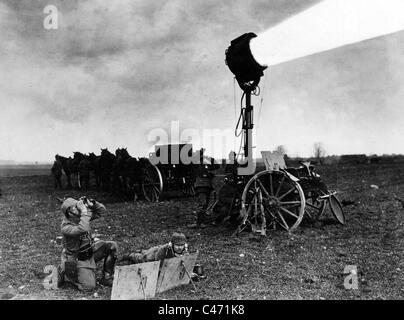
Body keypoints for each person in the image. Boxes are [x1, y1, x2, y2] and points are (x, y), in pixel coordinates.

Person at [58, 197, 118, 291]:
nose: (79, 207)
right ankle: (68, 276)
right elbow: (83, 228)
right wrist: (85, 212)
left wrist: (93, 203)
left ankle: (107, 277)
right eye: (75, 207)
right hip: (77, 259)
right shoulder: (66, 227)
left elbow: (101, 211)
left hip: (89, 251)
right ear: (70, 213)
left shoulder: (80, 217)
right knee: (89, 287)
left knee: (111, 246)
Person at [121, 232, 188, 264]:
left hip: (158, 250)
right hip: (154, 256)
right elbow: (158, 263)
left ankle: (141, 250)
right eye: (177, 245)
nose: (179, 247)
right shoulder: (164, 249)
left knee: (145, 252)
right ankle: (129, 255)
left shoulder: (185, 250)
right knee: (142, 258)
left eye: (181, 245)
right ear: (172, 244)